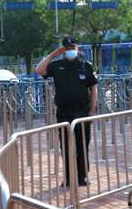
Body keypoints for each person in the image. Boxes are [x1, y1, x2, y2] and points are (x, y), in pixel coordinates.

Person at [35, 36, 98, 186]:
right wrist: (53, 54)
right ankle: (69, 177)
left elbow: (94, 89)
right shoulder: (57, 65)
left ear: (77, 48)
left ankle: (82, 177)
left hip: (82, 112)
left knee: (82, 145)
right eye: (67, 48)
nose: (70, 50)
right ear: (63, 49)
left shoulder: (86, 66)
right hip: (64, 113)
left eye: (72, 48)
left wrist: (92, 110)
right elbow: (39, 70)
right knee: (66, 147)